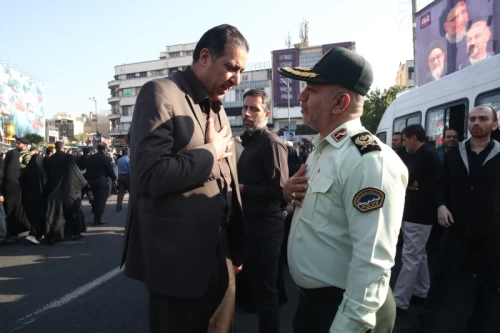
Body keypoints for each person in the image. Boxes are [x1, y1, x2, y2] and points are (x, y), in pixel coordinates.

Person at [121, 24, 248, 333]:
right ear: (204, 57)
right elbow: (149, 176)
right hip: (179, 265)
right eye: (231, 67)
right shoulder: (161, 93)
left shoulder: (215, 106)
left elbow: (227, 180)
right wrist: (210, 151)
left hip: (221, 260)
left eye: (241, 71)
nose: (237, 80)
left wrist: (235, 246)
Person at [279, 47, 408, 333]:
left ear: (340, 102)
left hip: (344, 310)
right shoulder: (324, 150)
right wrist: (290, 195)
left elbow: (372, 265)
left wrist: (347, 327)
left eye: (310, 90)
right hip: (314, 304)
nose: (301, 97)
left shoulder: (369, 160)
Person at [417, 105, 500, 332]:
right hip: (455, 229)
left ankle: (478, 326)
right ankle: (424, 325)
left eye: (483, 119)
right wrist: (441, 206)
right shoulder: (454, 153)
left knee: (488, 284)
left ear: (494, 125)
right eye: (472, 118)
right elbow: (440, 186)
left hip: (490, 232)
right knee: (442, 279)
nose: (476, 122)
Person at [237, 89, 289, 333]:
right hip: (250, 225)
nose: (247, 113)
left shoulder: (271, 143)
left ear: (266, 114)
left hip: (266, 229)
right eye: (245, 108)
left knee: (267, 295)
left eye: (254, 109)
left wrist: (242, 188)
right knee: (257, 291)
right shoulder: (252, 142)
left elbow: (279, 191)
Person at [392, 124, 442, 313]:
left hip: (419, 214)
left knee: (410, 257)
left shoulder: (425, 156)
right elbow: (407, 177)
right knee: (419, 255)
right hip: (418, 213)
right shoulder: (424, 154)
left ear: (413, 138)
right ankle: (421, 291)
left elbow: (404, 176)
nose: (404, 145)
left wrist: (407, 182)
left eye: (404, 140)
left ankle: (399, 301)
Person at [45, 154, 87, 244]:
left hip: (57, 195)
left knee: (58, 215)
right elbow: (82, 182)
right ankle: (76, 233)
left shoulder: (58, 169)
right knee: (73, 214)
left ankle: (53, 235)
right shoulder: (73, 170)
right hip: (71, 195)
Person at [2, 149, 31, 241]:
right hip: (11, 194)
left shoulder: (7, 168)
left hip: (11, 194)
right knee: (7, 213)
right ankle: (5, 235)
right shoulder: (11, 171)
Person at [85, 143, 117, 225]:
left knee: (95, 198)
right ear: (105, 149)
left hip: (92, 181)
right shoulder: (105, 158)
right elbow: (110, 170)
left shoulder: (91, 158)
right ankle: (98, 219)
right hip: (101, 181)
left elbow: (88, 170)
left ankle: (95, 213)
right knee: (101, 200)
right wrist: (114, 179)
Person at [20, 154, 47, 244]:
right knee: (39, 216)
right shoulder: (41, 172)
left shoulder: (25, 171)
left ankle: (37, 234)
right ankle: (33, 234)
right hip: (38, 198)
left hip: (26, 198)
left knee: (32, 216)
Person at [439, 0, 469, 73]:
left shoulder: (476, 33)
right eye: (455, 18)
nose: (461, 20)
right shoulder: (441, 49)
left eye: (463, 12)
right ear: (446, 26)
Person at [116, 148, 130, 212]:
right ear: (127, 152)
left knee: (121, 192)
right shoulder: (128, 160)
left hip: (120, 176)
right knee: (131, 191)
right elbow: (129, 169)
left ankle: (118, 206)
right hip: (126, 176)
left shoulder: (119, 160)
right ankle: (132, 206)